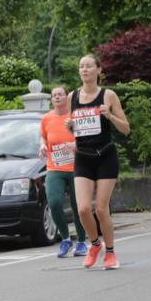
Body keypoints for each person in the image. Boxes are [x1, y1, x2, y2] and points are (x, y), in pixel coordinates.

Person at [65, 54, 130, 270]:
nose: (84, 70)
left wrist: (110, 116)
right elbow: (73, 128)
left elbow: (126, 128)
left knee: (101, 209)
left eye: (89, 66)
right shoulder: (72, 96)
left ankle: (110, 253)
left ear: (98, 70)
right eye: (81, 66)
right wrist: (70, 126)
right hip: (83, 157)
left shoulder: (108, 95)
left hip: (105, 156)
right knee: (83, 209)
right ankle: (95, 245)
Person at [39, 86, 88, 258]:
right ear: (51, 100)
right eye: (54, 95)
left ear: (67, 97)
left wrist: (76, 145)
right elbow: (43, 136)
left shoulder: (75, 115)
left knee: (78, 207)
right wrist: (42, 145)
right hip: (55, 167)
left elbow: (88, 136)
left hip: (77, 167)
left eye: (60, 94)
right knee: (54, 202)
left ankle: (82, 242)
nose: (57, 97)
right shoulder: (46, 118)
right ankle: (66, 239)